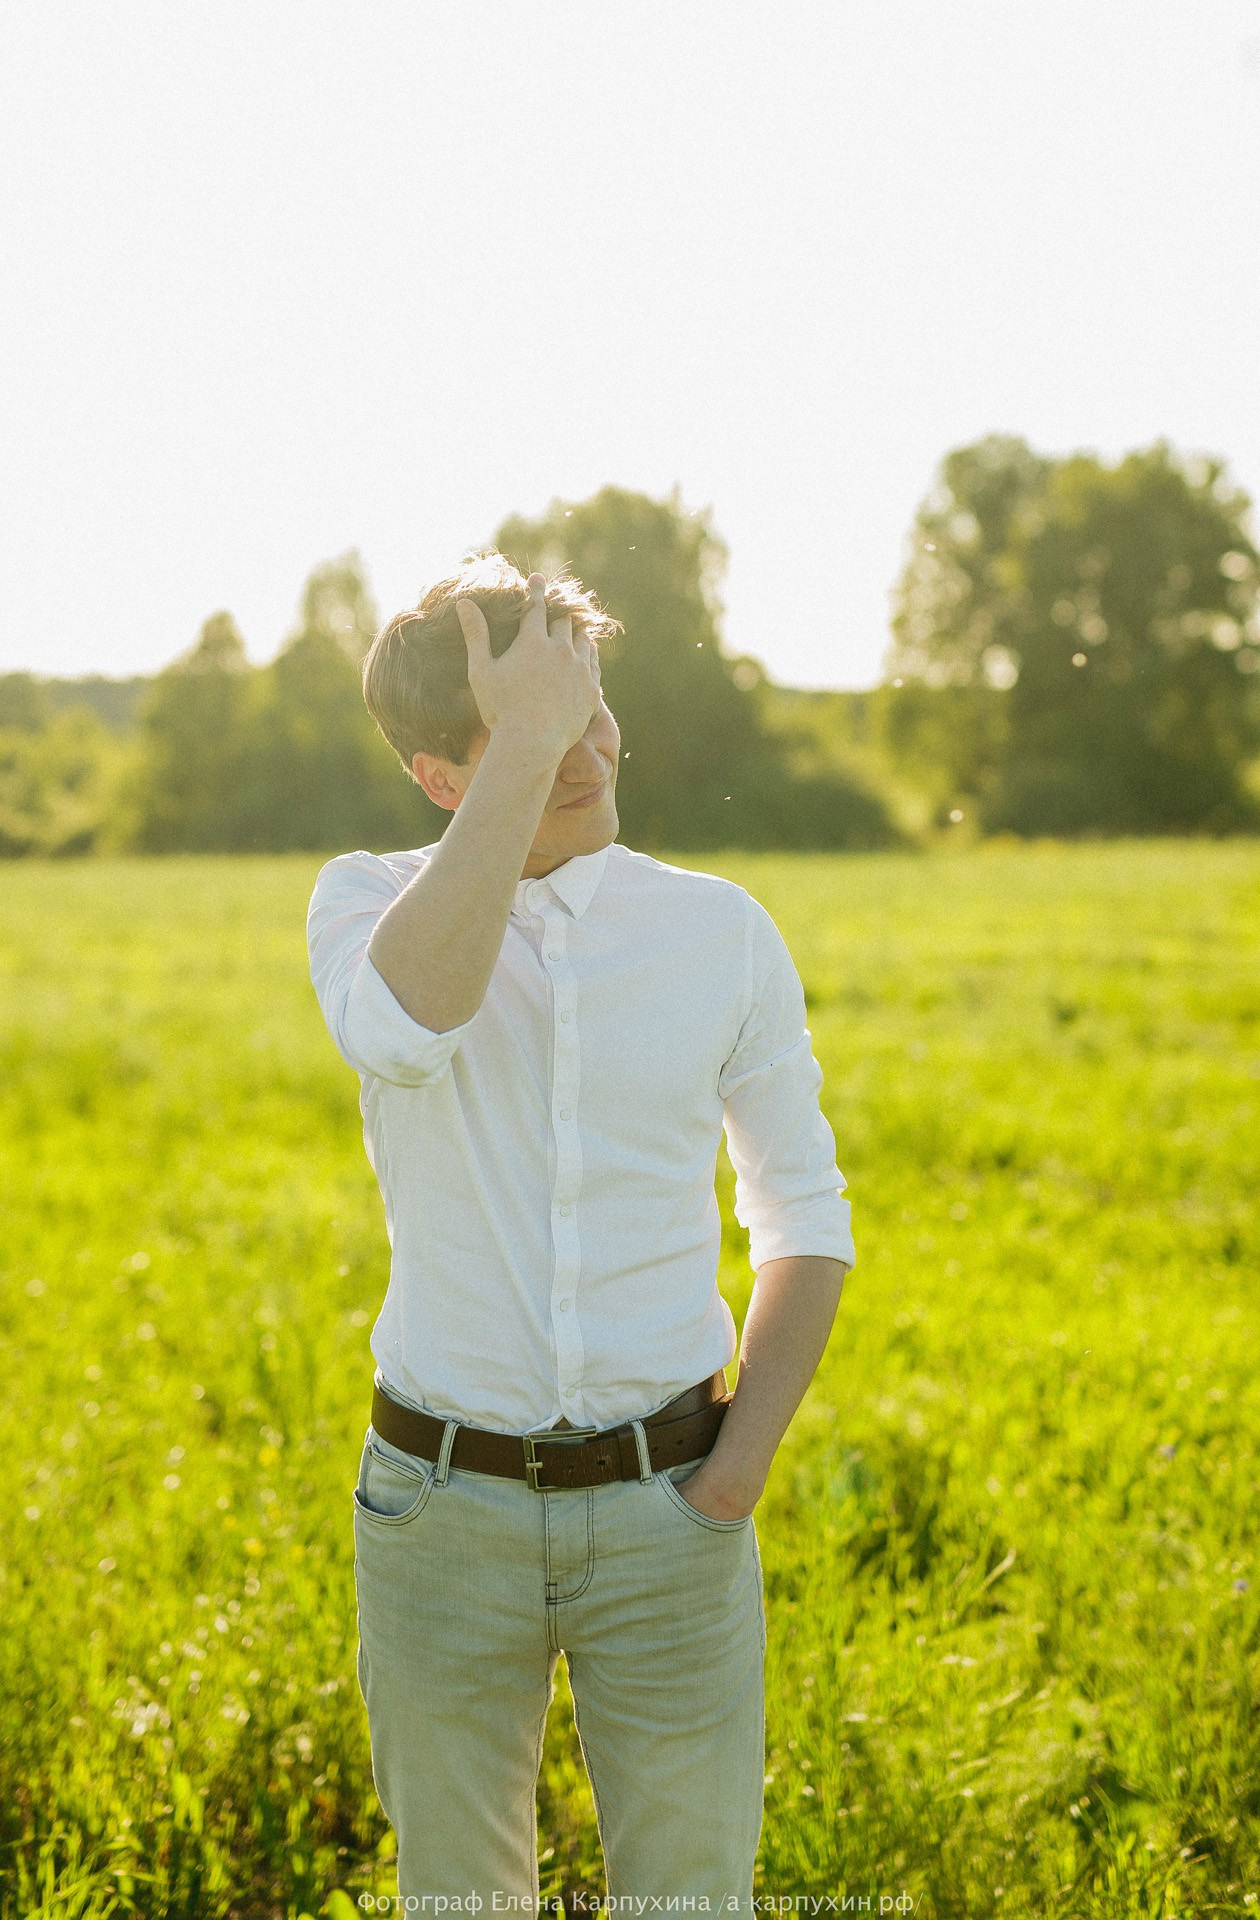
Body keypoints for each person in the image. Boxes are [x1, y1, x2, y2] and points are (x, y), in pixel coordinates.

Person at [306, 552, 855, 1906]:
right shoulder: (370, 903)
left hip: (672, 1509)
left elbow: (806, 1217)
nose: (585, 748)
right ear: (440, 773)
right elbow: (405, 1032)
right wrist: (527, 749)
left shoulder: (720, 931)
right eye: (530, 723)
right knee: (459, 1900)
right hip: (438, 1512)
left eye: (588, 704)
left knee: (689, 1898)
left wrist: (728, 1482)